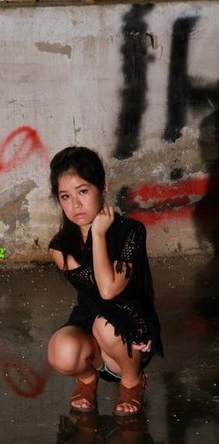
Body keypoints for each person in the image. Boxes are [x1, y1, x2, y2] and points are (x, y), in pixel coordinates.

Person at [47, 146, 162, 415]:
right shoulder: (61, 247)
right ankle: (87, 379)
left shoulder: (131, 232)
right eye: (65, 196)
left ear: (103, 187)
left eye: (83, 191)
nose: (75, 205)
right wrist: (95, 234)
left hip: (132, 334)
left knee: (106, 326)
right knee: (61, 350)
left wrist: (98, 235)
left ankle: (132, 381)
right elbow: (97, 292)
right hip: (92, 331)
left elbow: (109, 290)